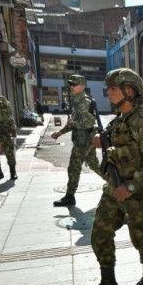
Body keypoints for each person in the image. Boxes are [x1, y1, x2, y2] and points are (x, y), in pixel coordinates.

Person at [80, 68, 143, 285]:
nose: (109, 93)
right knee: (99, 233)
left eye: (113, 88)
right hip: (113, 190)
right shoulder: (118, 121)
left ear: (129, 91)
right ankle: (108, 282)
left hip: (134, 192)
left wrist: (130, 187)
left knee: (141, 237)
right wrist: (100, 141)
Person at [51, 75, 102, 207]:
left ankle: (69, 196)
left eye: (75, 84)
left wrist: (73, 124)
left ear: (83, 86)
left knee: (74, 167)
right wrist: (60, 132)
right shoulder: (77, 100)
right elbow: (74, 122)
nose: (71, 87)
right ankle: (115, 185)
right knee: (94, 164)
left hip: (84, 140)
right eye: (71, 84)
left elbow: (88, 122)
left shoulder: (84, 101)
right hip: (83, 138)